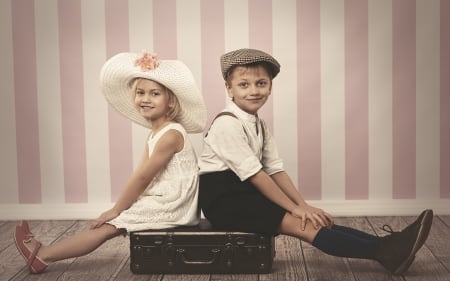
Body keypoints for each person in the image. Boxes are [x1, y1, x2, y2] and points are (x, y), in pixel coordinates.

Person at [198, 48, 433, 275]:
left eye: (261, 83)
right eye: (243, 85)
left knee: (316, 220)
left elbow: (275, 170)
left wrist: (304, 206)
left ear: (270, 86)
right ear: (229, 89)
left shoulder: (258, 123)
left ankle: (389, 244)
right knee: (304, 226)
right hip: (224, 200)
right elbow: (256, 175)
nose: (254, 91)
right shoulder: (227, 124)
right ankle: (385, 252)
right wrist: (296, 210)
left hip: (245, 191)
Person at [14, 51, 207, 274]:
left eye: (155, 94)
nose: (145, 99)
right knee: (112, 222)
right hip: (164, 197)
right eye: (140, 93)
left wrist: (117, 209)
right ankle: (43, 254)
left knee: (108, 227)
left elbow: (142, 178)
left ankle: (42, 255)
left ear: (170, 101)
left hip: (174, 204)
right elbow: (142, 173)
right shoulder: (156, 132)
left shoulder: (171, 134)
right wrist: (130, 204)